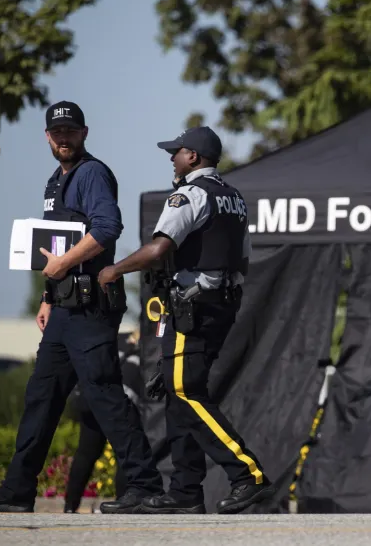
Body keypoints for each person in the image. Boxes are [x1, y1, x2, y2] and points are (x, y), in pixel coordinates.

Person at [0, 101, 163, 514]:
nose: (64, 139)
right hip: (63, 309)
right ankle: (18, 491)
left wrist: (64, 265)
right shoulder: (54, 182)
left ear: (84, 133)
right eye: (57, 133)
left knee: (105, 395)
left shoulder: (92, 173)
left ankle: (145, 487)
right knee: (41, 397)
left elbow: (108, 228)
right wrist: (46, 295)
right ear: (47, 137)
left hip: (90, 309)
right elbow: (54, 246)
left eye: (71, 132)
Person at [98, 126, 272, 515]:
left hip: (191, 307)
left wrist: (113, 271)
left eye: (176, 152)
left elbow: (159, 249)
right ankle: (185, 491)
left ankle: (248, 475)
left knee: (187, 393)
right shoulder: (235, 198)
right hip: (220, 306)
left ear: (193, 157)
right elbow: (242, 259)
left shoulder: (190, 194)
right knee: (179, 394)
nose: (171, 157)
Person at [63, 330, 142, 513]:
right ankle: (122, 502)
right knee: (125, 454)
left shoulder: (117, 338)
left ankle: (70, 505)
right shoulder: (145, 346)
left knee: (86, 453)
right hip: (120, 402)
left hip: (92, 398)